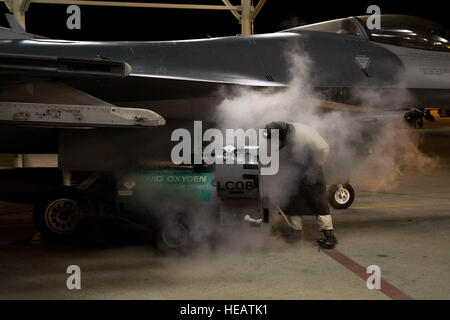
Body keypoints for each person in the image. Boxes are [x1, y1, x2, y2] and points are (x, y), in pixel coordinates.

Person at [264, 121, 338, 249]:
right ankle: (296, 232)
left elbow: (324, 148)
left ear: (283, 133)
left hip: (312, 168)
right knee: (293, 201)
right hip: (294, 169)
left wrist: (314, 168)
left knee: (318, 202)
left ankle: (330, 236)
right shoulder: (281, 133)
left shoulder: (305, 132)